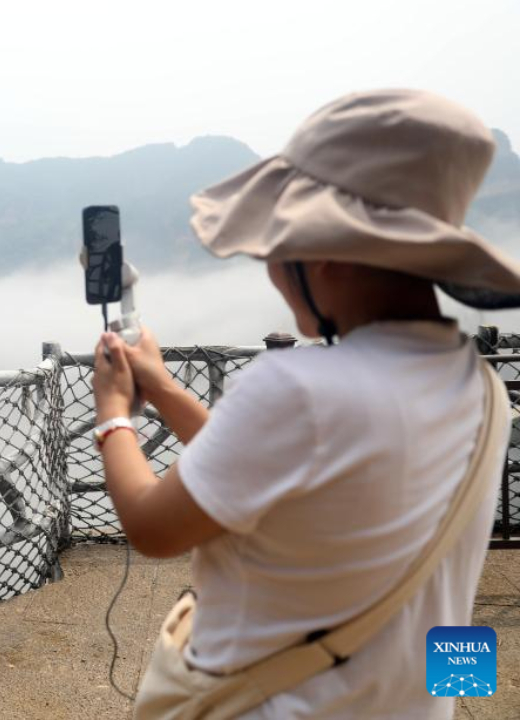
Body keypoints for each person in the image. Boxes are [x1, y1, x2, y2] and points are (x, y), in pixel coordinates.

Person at [92, 89, 519, 718]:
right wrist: (163, 387)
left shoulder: (297, 388)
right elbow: (271, 462)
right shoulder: (479, 388)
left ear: (320, 252)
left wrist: (114, 412)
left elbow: (153, 528)